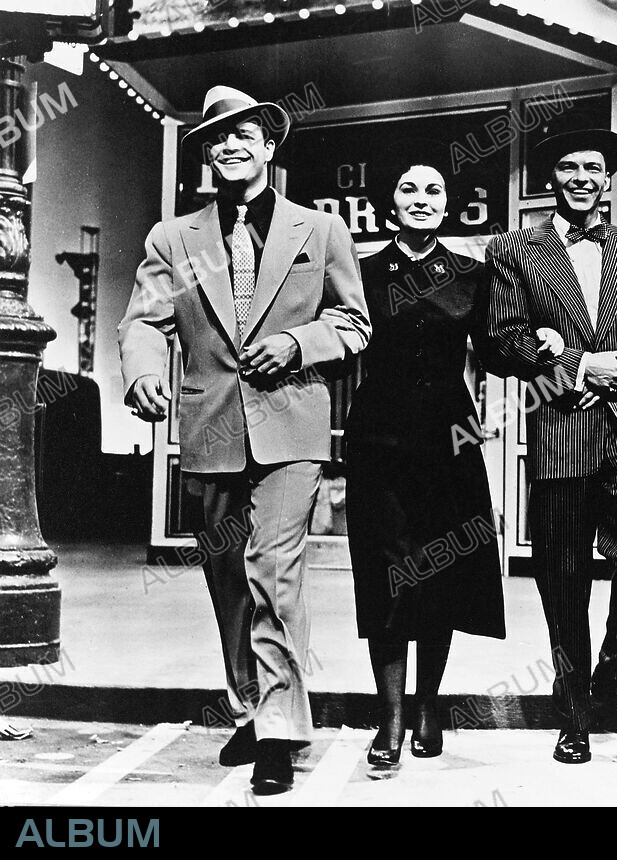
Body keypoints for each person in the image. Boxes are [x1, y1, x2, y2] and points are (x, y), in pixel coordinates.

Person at [118, 86, 371, 794]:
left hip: (292, 425)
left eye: (243, 136)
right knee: (228, 581)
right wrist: (140, 371)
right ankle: (252, 703)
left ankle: (280, 732)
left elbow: (355, 324)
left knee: (272, 571)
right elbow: (143, 321)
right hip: (211, 428)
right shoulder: (174, 238)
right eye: (216, 139)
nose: (230, 147)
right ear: (207, 154)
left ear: (268, 145)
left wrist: (297, 343)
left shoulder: (318, 232)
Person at [486, 122, 617, 764]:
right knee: (562, 582)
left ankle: (613, 675)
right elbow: (502, 343)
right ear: (551, 177)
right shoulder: (515, 248)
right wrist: (575, 371)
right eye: (569, 168)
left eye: (593, 168)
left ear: (608, 177)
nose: (582, 179)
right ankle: (573, 713)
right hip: (562, 433)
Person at [345, 156, 505, 767]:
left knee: (441, 570)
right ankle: (388, 718)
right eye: (407, 188)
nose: (420, 197)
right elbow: (333, 339)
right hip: (379, 437)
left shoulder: (471, 275)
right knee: (385, 570)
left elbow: (496, 348)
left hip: (450, 438)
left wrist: (553, 349)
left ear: (447, 205)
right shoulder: (361, 273)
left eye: (432, 190)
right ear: (391, 205)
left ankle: (427, 707)